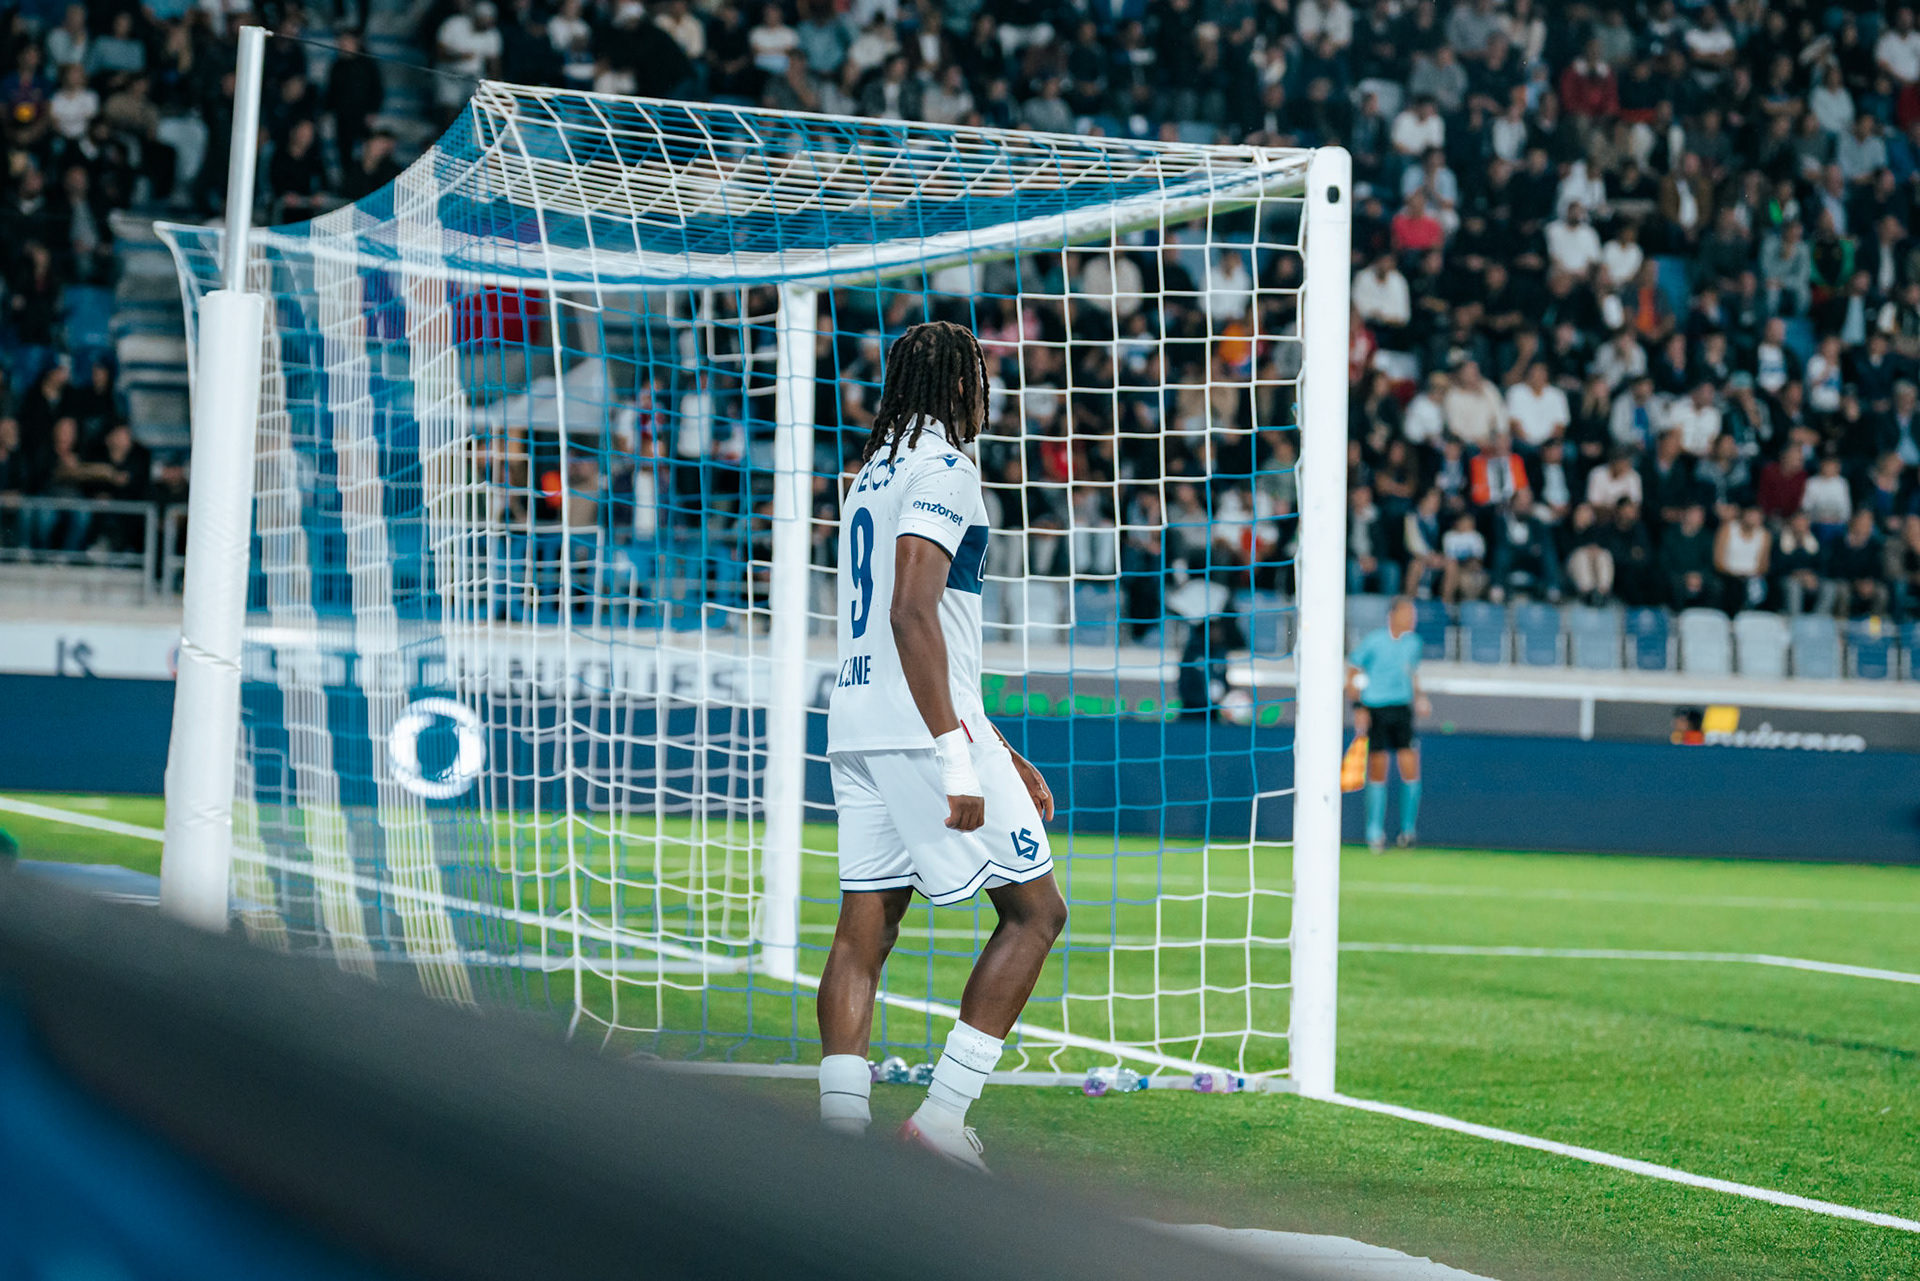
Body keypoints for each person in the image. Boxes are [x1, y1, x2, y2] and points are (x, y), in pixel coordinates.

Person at [817, 321, 1064, 1172]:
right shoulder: (945, 468)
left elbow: (920, 632)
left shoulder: (869, 473)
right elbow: (912, 614)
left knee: (866, 927)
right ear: (963, 389)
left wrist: (1000, 746)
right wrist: (959, 754)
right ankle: (941, 1117)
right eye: (980, 382)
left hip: (856, 720)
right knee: (1036, 912)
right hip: (920, 731)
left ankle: (839, 1137)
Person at [1345, 596, 1430, 852]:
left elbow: (1412, 673)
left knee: (1410, 767)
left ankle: (1408, 832)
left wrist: (1420, 697)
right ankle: (1374, 833)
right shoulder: (1374, 641)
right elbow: (1352, 671)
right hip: (1377, 709)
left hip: (1402, 710)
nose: (1412, 619)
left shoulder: (1414, 643)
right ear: (1392, 615)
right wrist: (1359, 707)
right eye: (1408, 614)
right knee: (1378, 768)